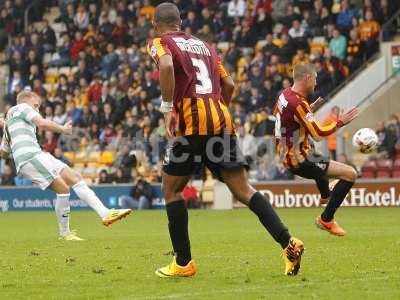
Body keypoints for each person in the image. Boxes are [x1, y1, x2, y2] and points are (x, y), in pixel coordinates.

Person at [147, 2, 304, 278]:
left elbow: (167, 65)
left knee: (171, 190)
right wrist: (219, 112)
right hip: (221, 122)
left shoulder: (160, 42)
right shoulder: (206, 46)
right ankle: (288, 242)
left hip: (189, 125)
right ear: (180, 22)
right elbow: (229, 85)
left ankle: (183, 263)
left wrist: (168, 108)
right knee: (243, 190)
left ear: (155, 24)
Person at [0, 91, 132, 241]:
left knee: (75, 177)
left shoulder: (9, 123)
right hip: (30, 157)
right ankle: (65, 234)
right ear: (27, 100)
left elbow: (3, 153)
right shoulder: (23, 107)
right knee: (63, 188)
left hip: (36, 155)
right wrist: (63, 129)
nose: (37, 109)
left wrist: (6, 126)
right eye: (36, 105)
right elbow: (42, 122)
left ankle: (105, 213)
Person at [274, 63, 358, 237]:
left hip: (288, 153)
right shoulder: (298, 103)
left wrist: (308, 110)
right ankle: (326, 219)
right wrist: (340, 121)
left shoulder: (285, 95)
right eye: (315, 79)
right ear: (307, 78)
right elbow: (319, 133)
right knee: (350, 174)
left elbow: (286, 119)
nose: (315, 84)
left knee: (318, 159)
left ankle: (326, 196)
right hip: (298, 158)